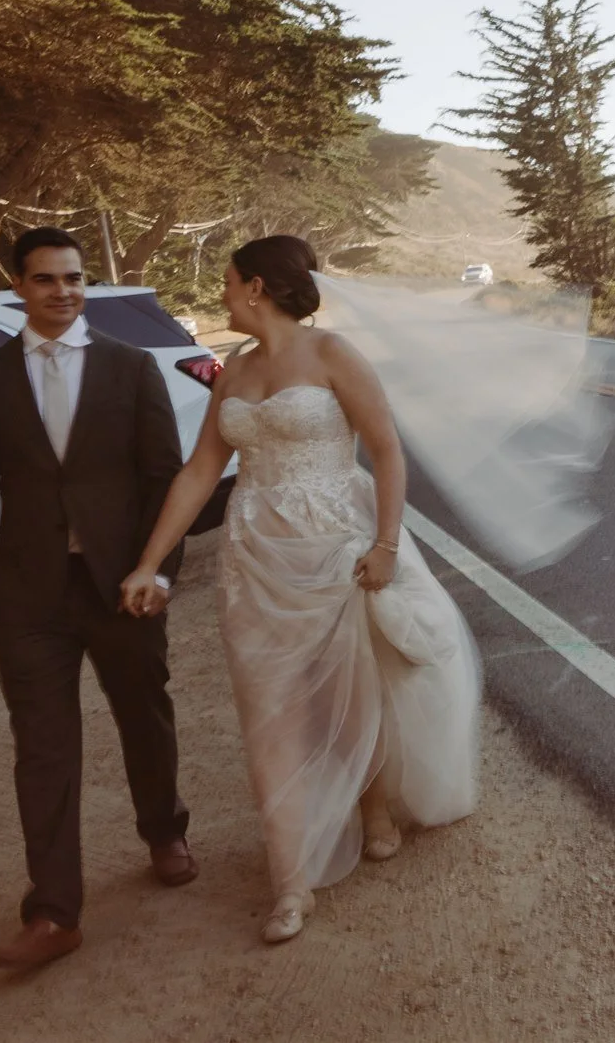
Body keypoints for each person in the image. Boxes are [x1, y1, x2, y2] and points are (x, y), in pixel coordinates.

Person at [122, 235, 480, 944]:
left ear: (257, 286)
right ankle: (290, 883)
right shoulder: (231, 371)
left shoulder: (332, 356)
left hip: (333, 546)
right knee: (271, 709)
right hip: (253, 557)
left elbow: (384, 448)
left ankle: (373, 805)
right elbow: (199, 472)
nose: (221, 294)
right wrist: (150, 562)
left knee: (346, 687)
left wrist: (383, 544)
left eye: (227, 282)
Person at [0, 226, 196, 971]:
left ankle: (164, 829)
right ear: (17, 287)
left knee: (144, 714)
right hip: (27, 596)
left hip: (121, 587)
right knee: (44, 748)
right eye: (48, 279)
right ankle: (55, 912)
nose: (64, 291)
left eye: (75, 277)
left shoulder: (130, 368)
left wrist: (159, 572)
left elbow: (165, 478)